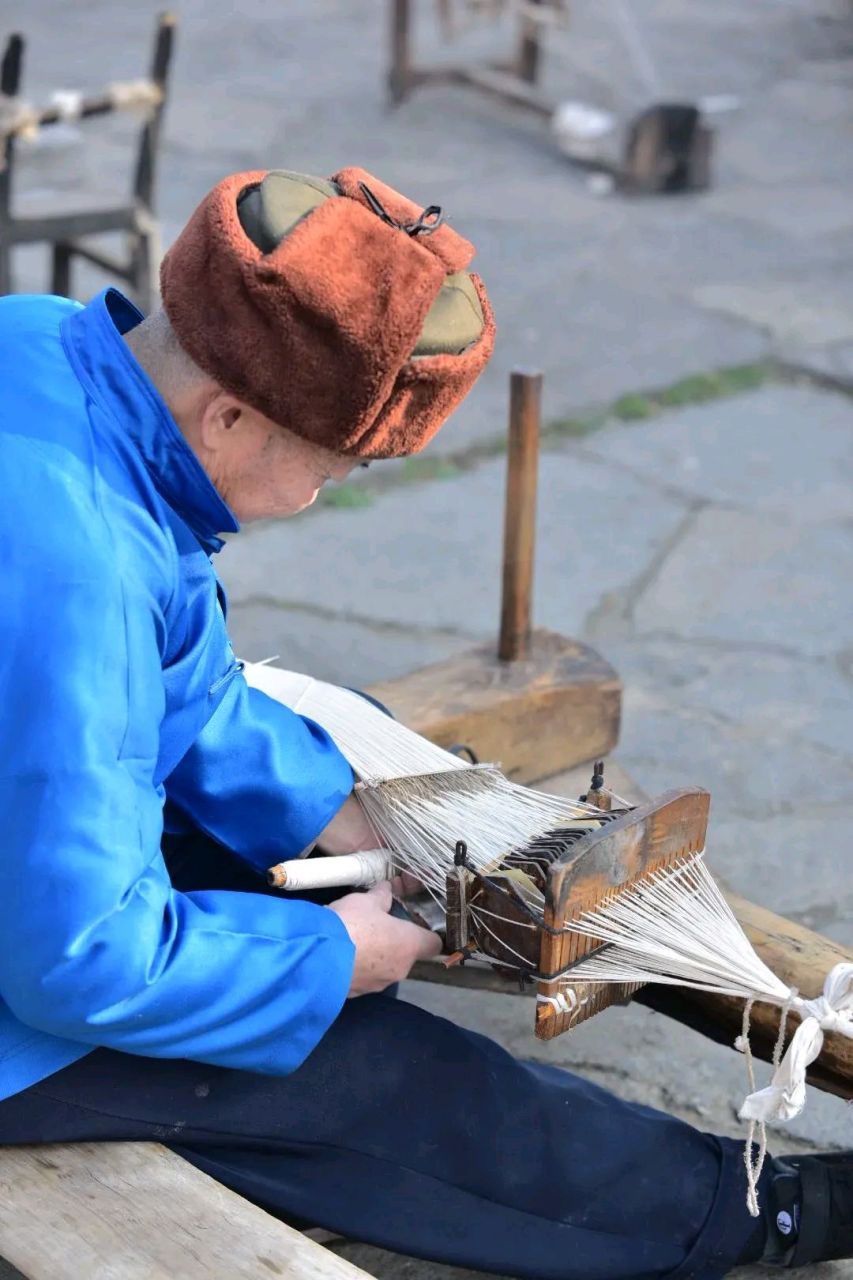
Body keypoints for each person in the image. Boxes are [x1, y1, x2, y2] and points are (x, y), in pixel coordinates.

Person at [0, 166, 849, 1279]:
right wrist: (329, 959)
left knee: (271, 853)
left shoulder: (40, 343)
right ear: (229, 412)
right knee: (386, 1078)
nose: (329, 491)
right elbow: (78, 964)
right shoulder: (85, 578)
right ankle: (751, 1211)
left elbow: (161, 676)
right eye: (334, 467)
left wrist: (330, 810)